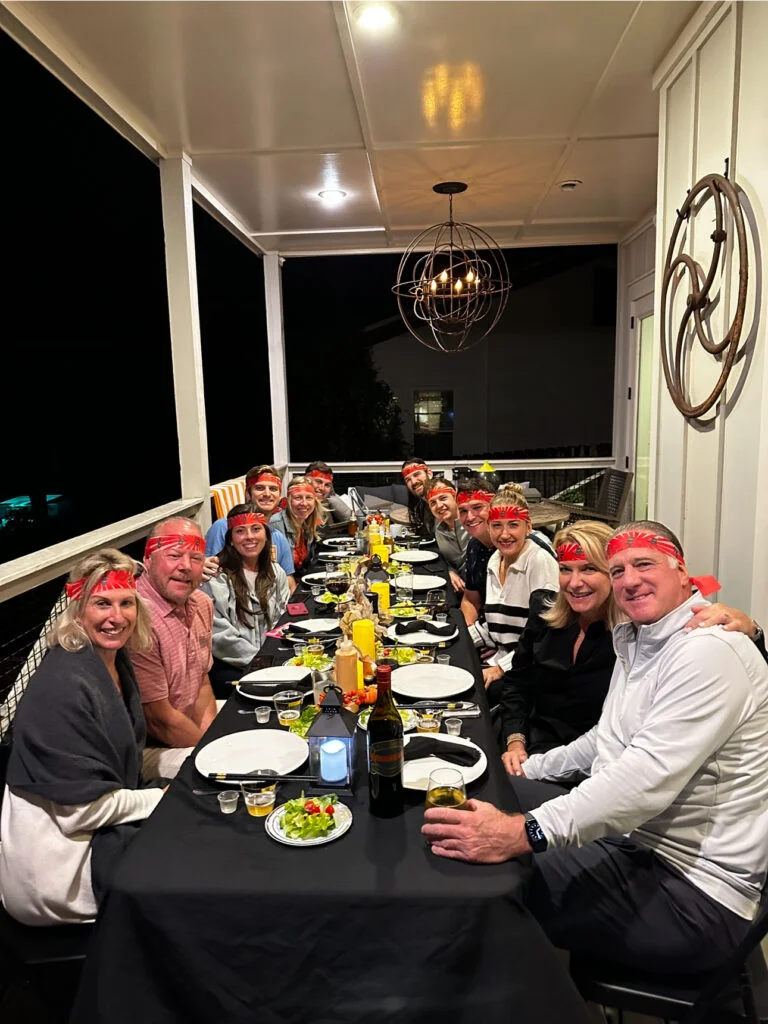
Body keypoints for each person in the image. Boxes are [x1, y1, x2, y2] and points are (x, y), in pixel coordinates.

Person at [423, 520, 768, 977]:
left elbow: (642, 782)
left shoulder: (707, 651)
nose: (628, 579)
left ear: (683, 572)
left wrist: (522, 832)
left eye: (643, 564)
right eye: (619, 568)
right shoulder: (640, 638)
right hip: (633, 842)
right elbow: (605, 740)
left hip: (690, 894)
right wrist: (528, 771)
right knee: (482, 792)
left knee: (477, 873)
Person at [501, 521, 765, 777]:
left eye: (590, 569)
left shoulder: (640, 637)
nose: (574, 582)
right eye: (565, 569)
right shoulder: (545, 612)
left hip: (597, 774)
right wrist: (516, 742)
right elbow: (517, 684)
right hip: (538, 753)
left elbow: (638, 767)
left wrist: (752, 632)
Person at [0, 549, 164, 925]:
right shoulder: (63, 687)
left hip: (95, 833)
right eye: (101, 603)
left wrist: (187, 759)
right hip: (61, 873)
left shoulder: (111, 661)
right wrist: (162, 797)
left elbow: (121, 756)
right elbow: (80, 813)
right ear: (76, 610)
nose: (116, 617)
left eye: (127, 603)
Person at [131, 517, 217, 778]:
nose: (185, 567)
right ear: (148, 560)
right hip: (148, 748)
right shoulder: (134, 616)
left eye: (195, 558)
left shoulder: (201, 602)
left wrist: (212, 738)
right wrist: (210, 751)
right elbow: (158, 719)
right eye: (174, 555)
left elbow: (201, 681)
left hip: (187, 726)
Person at [468, 485, 559, 698]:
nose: (504, 534)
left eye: (513, 525)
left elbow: (544, 633)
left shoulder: (539, 560)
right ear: (488, 528)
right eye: (497, 525)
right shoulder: (494, 560)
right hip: (500, 658)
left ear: (528, 527)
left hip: (528, 668)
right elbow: (494, 623)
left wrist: (502, 667)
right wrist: (457, 640)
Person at [202, 505, 290, 688]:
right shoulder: (214, 576)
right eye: (240, 531)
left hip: (270, 660)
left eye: (256, 529)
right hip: (231, 667)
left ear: (266, 536)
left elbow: (281, 621)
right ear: (231, 540)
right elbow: (218, 636)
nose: (249, 536)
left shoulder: (276, 572)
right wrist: (260, 661)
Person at [459, 481, 555, 628]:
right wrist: (471, 635)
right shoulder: (480, 550)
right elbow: (471, 599)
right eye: (463, 511)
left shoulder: (536, 553)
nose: (470, 517)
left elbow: (547, 621)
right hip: (492, 630)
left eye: (477, 507)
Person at [205, 465, 296, 591]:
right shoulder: (223, 527)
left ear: (279, 497)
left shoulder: (278, 537)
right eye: (259, 488)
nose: (267, 494)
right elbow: (209, 574)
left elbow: (289, 582)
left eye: (273, 489)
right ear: (248, 494)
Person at [269, 476, 323, 574]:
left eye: (309, 498)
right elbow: (276, 570)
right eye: (298, 498)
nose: (304, 503)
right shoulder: (275, 525)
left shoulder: (307, 522)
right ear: (288, 501)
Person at [425, 479, 468, 593]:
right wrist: (449, 571)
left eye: (443, 498)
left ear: (455, 496)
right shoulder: (438, 525)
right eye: (432, 503)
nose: (439, 505)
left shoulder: (473, 521)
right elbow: (444, 558)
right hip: (459, 590)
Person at [305, 461, 351, 527]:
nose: (322, 488)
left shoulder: (327, 502)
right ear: (307, 480)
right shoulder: (299, 505)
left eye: (327, 485)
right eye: (318, 482)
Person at [401, 457, 435, 539]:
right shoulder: (421, 504)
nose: (413, 482)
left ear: (429, 474)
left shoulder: (444, 499)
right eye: (408, 480)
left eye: (416, 475)